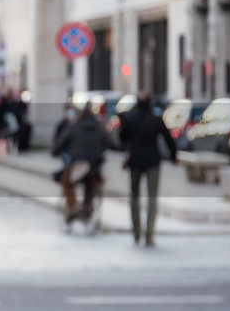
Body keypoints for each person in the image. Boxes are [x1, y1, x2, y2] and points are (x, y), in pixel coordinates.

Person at [119, 93, 178, 247]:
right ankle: (149, 234)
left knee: (134, 197)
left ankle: (136, 233)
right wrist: (173, 156)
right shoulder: (156, 119)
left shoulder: (130, 118)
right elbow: (168, 138)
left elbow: (121, 138)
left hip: (135, 160)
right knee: (152, 198)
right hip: (153, 161)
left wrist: (128, 149)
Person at [53, 106, 109, 223]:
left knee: (66, 182)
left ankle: (72, 207)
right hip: (95, 167)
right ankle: (86, 209)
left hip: (78, 166)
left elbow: (61, 143)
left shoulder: (75, 127)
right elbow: (111, 143)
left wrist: (55, 152)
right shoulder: (99, 128)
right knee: (91, 186)